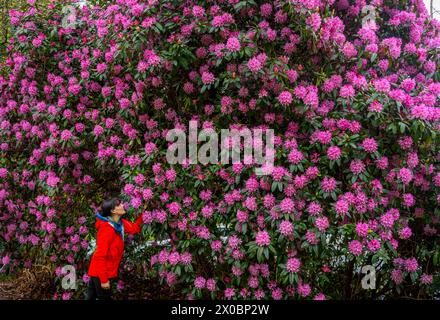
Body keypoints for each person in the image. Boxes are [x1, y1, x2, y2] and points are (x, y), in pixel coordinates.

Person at [86, 197, 143, 300]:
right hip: (101, 273)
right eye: (119, 205)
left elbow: (135, 228)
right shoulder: (107, 229)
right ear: (113, 211)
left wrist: (143, 212)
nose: (122, 205)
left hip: (99, 271)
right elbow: (99, 256)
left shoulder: (120, 224)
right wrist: (104, 280)